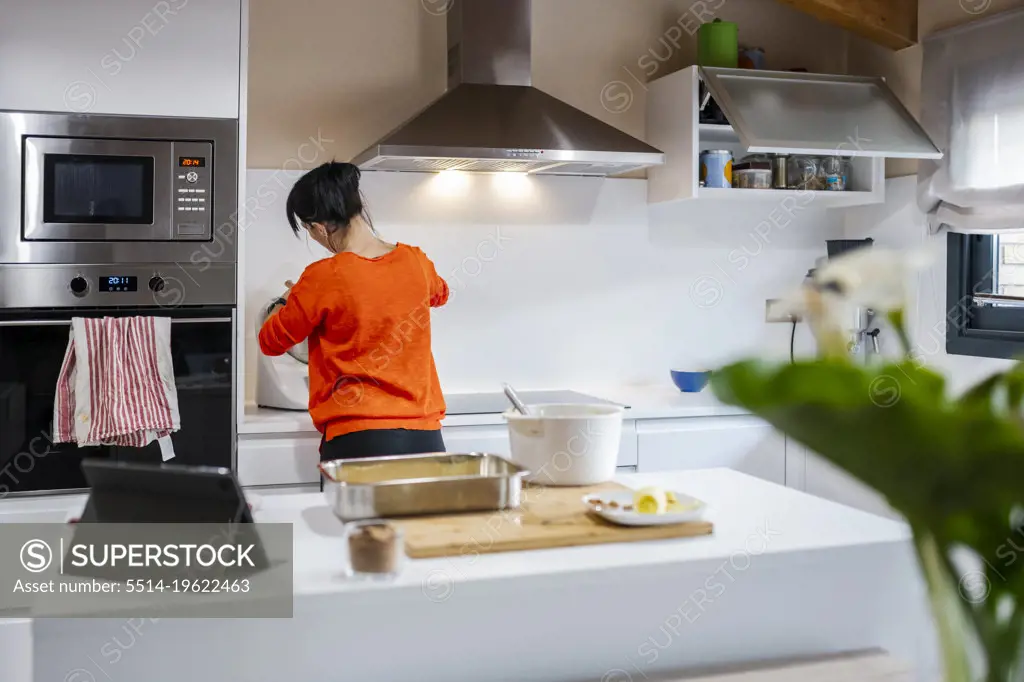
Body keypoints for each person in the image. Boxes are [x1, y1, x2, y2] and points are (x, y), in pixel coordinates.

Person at [258, 161, 449, 462]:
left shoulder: (322, 277)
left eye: (308, 229)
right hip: (425, 438)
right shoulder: (416, 261)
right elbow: (440, 293)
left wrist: (287, 299)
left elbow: (270, 341)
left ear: (320, 226)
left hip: (358, 441)